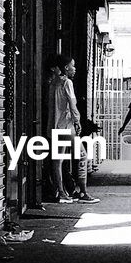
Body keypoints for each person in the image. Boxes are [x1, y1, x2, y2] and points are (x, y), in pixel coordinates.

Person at [46, 54, 99, 203]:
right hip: (66, 126)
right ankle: (82, 193)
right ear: (65, 68)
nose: (74, 69)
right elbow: (72, 104)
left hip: (54, 127)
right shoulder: (66, 82)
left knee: (57, 161)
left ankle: (61, 193)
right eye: (72, 66)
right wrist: (78, 121)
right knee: (82, 155)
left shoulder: (52, 83)